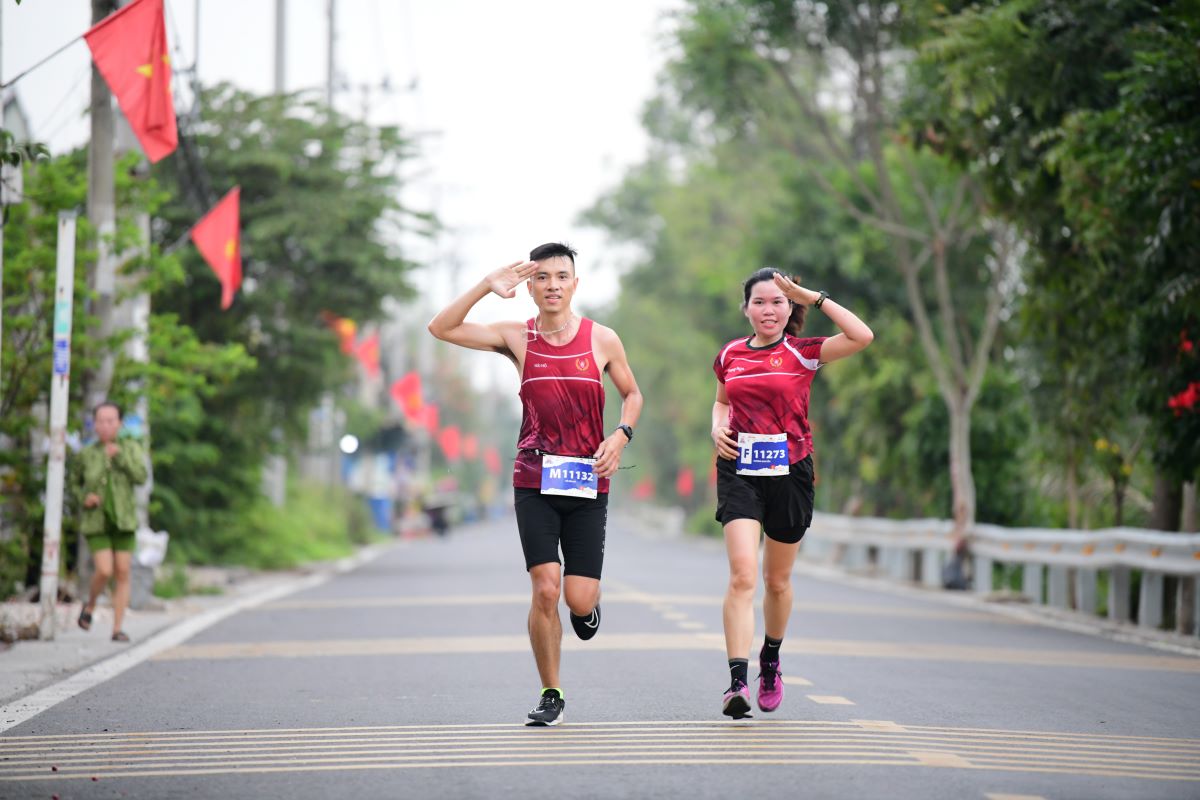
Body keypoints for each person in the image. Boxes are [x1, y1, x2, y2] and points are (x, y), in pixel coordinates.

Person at [428, 242, 643, 726]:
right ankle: (551, 692)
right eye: (542, 277)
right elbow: (441, 327)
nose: (552, 286)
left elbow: (632, 394)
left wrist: (621, 435)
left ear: (575, 284)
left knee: (577, 598)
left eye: (561, 277)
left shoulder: (602, 339)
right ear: (529, 287)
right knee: (545, 589)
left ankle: (586, 609)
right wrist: (486, 286)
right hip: (534, 479)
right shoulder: (517, 337)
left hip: (587, 482)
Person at [711, 269, 872, 718]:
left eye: (777, 302)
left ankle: (771, 658)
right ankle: (736, 683)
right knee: (742, 575)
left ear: (789, 308)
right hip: (739, 469)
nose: (768, 310)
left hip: (791, 472)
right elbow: (722, 401)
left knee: (776, 581)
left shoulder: (804, 353)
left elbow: (862, 336)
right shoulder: (729, 354)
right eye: (759, 302)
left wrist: (814, 297)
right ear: (746, 309)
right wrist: (716, 428)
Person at [74, 402, 149, 643]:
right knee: (105, 570)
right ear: (94, 424)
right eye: (101, 421)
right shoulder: (87, 454)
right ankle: (90, 605)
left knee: (123, 571)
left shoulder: (130, 449)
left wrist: (120, 457)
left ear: (120, 423)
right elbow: (74, 483)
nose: (105, 426)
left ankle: (117, 628)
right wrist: (84, 497)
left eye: (110, 421)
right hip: (97, 521)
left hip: (124, 520)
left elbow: (141, 477)